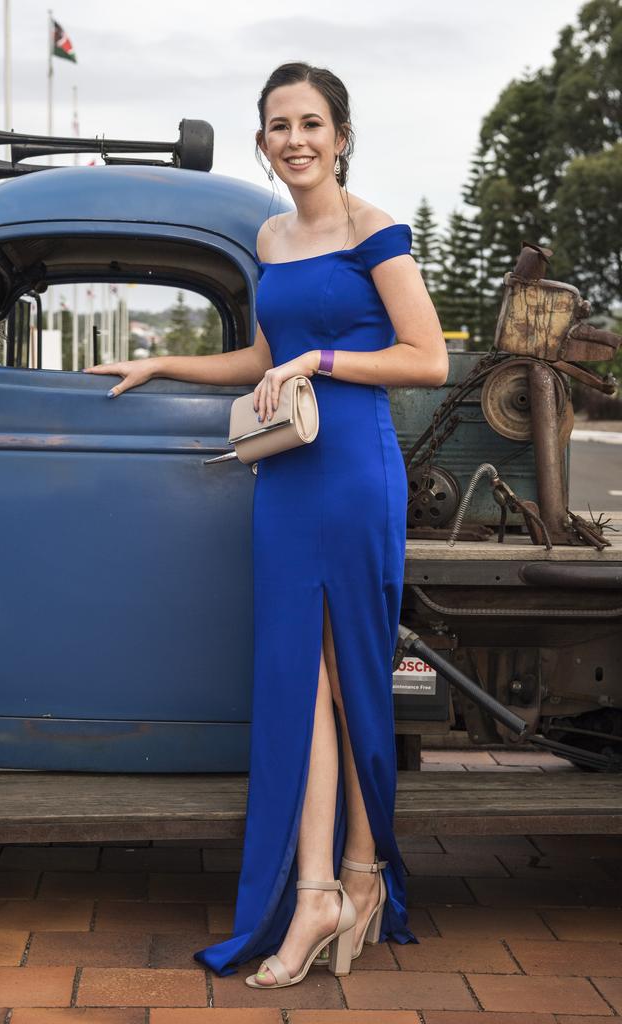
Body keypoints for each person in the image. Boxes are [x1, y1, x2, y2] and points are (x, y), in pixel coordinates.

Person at [85, 61, 447, 989]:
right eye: (279, 126)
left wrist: (323, 358)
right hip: (285, 473)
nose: (295, 140)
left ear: (341, 135)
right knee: (303, 680)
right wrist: (164, 361)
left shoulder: (379, 234)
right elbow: (262, 357)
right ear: (262, 141)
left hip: (355, 472)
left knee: (347, 675)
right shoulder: (271, 236)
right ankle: (328, 886)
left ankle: (348, 880)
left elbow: (428, 360)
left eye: (312, 124)